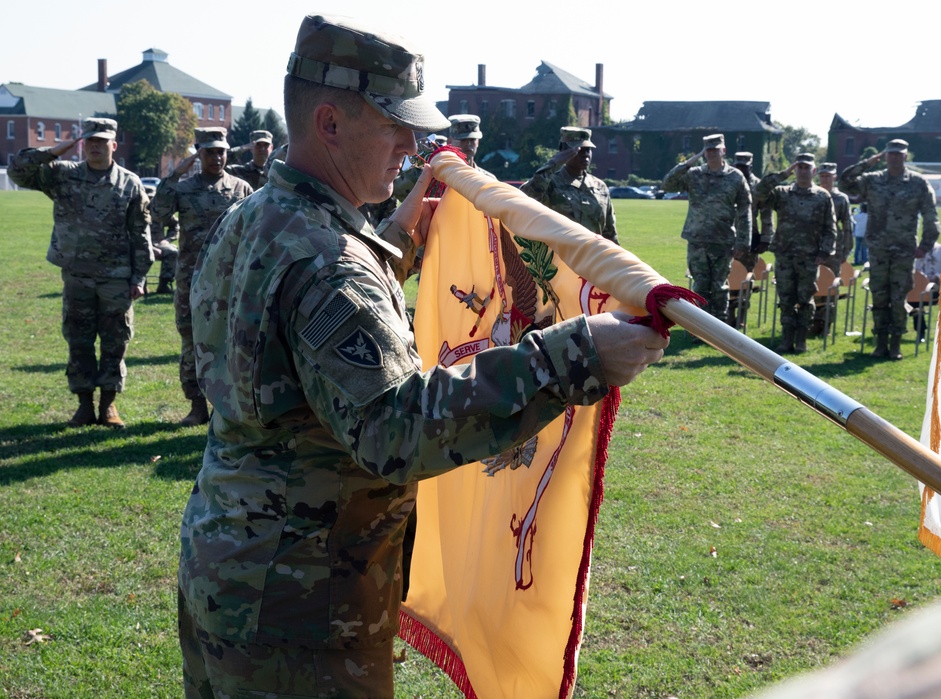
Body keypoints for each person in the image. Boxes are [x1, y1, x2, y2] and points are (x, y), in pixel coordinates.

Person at [176, 14, 670, 699]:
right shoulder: (330, 264)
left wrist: (398, 239)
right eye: (395, 125)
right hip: (298, 612)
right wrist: (576, 354)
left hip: (230, 563)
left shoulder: (257, 218)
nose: (413, 146)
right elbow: (397, 429)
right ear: (330, 123)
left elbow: (291, 336)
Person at [9, 117, 153, 428]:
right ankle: (84, 406)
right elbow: (18, 171)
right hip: (77, 277)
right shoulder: (63, 176)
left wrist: (139, 277)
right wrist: (53, 151)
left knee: (116, 342)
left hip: (116, 277)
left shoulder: (129, 183)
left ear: (114, 145)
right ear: (82, 144)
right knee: (79, 341)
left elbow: (141, 234)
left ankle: (109, 406)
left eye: (102, 141)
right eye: (90, 141)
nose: (96, 147)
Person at [151, 127, 253, 426]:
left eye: (221, 151)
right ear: (199, 153)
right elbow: (157, 212)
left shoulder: (241, 189)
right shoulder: (183, 189)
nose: (217, 157)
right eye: (209, 151)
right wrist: (175, 174)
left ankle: (229, 408)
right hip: (192, 280)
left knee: (233, 342)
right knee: (191, 341)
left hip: (231, 280)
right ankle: (197, 407)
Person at [840, 139, 940, 360]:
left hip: (904, 251)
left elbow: (931, 216)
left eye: (898, 154)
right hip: (878, 250)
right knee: (879, 296)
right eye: (890, 154)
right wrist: (868, 161)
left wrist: (925, 245)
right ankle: (880, 343)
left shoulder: (918, 183)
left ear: (905, 156)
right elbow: (845, 182)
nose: (894, 157)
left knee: (898, 297)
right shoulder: (873, 180)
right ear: (885, 156)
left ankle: (895, 344)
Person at [661, 133, 752, 325]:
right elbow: (668, 184)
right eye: (707, 150)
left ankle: (720, 329)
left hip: (723, 241)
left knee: (719, 287)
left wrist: (743, 242)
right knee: (700, 286)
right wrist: (689, 161)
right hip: (698, 240)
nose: (711, 154)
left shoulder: (735, 177)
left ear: (724, 151)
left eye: (715, 150)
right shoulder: (694, 174)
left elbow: (745, 211)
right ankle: (699, 328)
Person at [755, 153, 836, 353]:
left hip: (809, 257)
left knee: (805, 299)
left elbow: (830, 227)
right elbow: (759, 192)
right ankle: (786, 338)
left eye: (806, 167)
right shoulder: (782, 192)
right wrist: (783, 174)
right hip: (785, 255)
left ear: (813, 171)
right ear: (794, 168)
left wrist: (824, 252)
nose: (802, 171)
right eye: (799, 167)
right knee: (786, 298)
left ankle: (801, 339)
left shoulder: (822, 196)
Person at [521, 126, 619, 244]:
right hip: (560, 258)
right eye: (579, 149)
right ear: (563, 151)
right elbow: (524, 199)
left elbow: (609, 233)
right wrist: (553, 163)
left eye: (588, 149)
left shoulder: (599, 186)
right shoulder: (549, 182)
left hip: (591, 259)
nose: (585, 154)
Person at [731, 151, 773, 276]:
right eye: (737, 166)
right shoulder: (728, 184)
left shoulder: (759, 187)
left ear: (751, 167)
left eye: (743, 167)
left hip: (749, 238)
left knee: (745, 276)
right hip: (727, 236)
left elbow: (767, 216)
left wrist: (765, 240)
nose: (740, 169)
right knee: (725, 277)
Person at [817, 162, 854, 270]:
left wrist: (846, 250)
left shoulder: (841, 198)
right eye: (822, 176)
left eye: (828, 176)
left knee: (831, 279)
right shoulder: (812, 194)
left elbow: (847, 225)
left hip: (834, 247)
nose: (825, 179)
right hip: (812, 245)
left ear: (834, 177)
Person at [448, 114, 495, 179]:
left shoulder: (488, 179)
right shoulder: (441, 179)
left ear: (477, 142)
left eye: (472, 139)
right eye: (463, 140)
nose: (468, 143)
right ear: (450, 142)